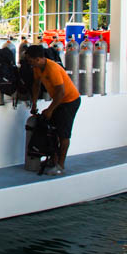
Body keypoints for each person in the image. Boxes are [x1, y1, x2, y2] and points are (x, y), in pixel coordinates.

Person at [24, 44, 80, 175]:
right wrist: (34, 103)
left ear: (38, 59)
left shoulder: (52, 68)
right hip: (59, 101)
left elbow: (61, 93)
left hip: (69, 101)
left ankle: (60, 165)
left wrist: (50, 110)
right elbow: (36, 84)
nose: (28, 63)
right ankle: (53, 160)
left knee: (63, 134)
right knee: (52, 130)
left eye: (30, 60)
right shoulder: (37, 68)